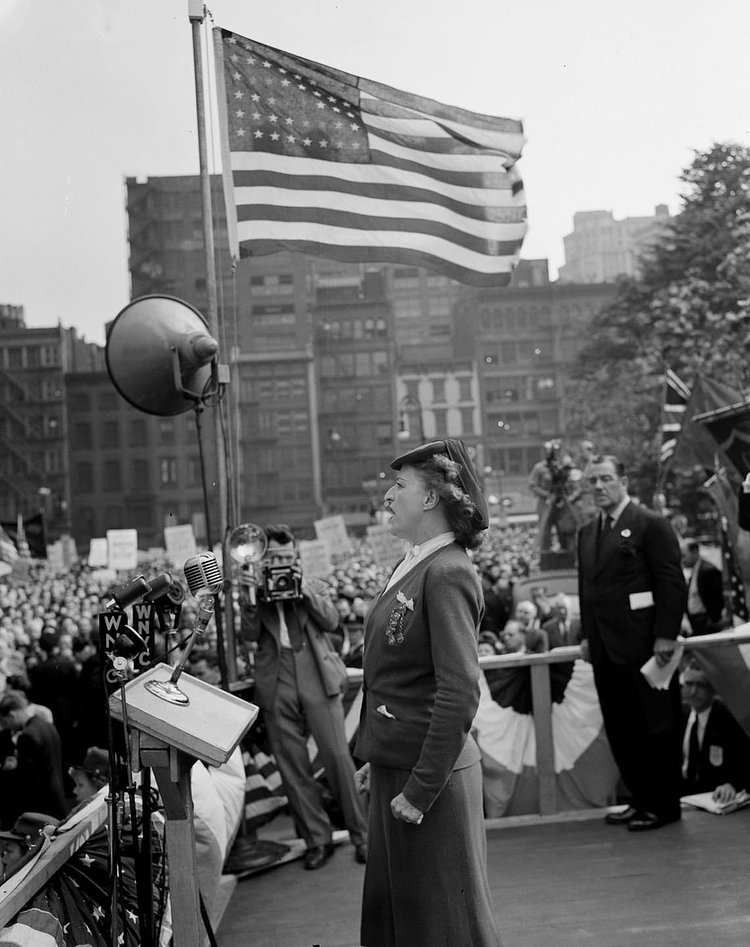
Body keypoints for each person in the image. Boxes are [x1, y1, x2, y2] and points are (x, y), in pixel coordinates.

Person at [354, 438, 501, 947]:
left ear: (433, 497)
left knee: (445, 928)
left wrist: (419, 790)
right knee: (405, 924)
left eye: (400, 485)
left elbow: (458, 692)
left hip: (428, 781)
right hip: (401, 766)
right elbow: (398, 676)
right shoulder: (417, 563)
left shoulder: (447, 571)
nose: (388, 496)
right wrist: (378, 753)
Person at [239, 524, 367, 870]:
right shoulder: (254, 589)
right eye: (272, 558)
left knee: (337, 756)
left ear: (295, 556)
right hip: (276, 677)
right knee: (291, 765)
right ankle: (317, 840)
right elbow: (249, 634)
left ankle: (363, 835)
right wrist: (250, 598)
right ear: (262, 561)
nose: (279, 563)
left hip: (315, 673)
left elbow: (331, 621)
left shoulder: (312, 583)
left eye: (285, 557)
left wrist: (304, 590)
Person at [577, 455, 687, 832]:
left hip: (644, 647)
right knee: (621, 728)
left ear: (623, 481)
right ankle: (639, 799)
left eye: (605, 478)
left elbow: (671, 582)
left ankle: (664, 806)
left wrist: (666, 635)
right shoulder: (587, 532)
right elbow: (588, 592)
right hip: (604, 650)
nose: (598, 486)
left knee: (655, 727)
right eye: (592, 481)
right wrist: (587, 637)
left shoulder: (650, 524)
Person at [680, 663, 750, 803]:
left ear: (713, 688)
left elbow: (744, 762)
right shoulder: (679, 715)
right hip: (685, 796)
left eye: (701, 685)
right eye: (689, 684)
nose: (693, 691)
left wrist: (731, 784)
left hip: (715, 796)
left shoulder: (728, 719)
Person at [0, 689, 68, 820]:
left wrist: (9, 769)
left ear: (11, 715)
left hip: (42, 804)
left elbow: (26, 778)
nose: (9, 728)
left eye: (6, 723)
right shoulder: (47, 725)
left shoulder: (27, 736)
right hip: (57, 796)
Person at [680, 540, 725, 636]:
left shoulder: (708, 570)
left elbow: (717, 598)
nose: (682, 560)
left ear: (694, 552)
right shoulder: (694, 571)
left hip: (706, 622)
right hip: (696, 622)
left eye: (684, 556)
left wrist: (713, 620)